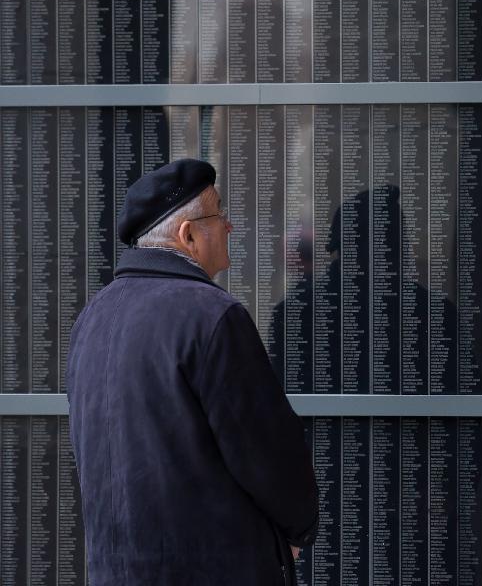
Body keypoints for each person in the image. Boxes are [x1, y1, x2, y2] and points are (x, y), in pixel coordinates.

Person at [66, 159, 318, 585]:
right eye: (218, 214)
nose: (229, 227)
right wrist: (297, 528)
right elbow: (265, 450)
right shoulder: (212, 316)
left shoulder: (92, 317)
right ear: (188, 235)